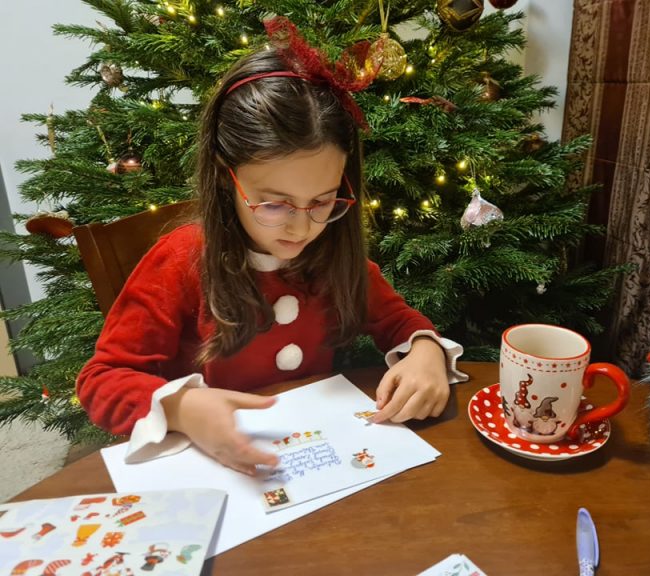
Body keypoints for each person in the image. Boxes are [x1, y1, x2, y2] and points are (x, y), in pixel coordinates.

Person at [76, 17, 467, 476]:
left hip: (319, 464)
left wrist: (426, 350)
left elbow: (398, 320)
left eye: (322, 201)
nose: (302, 228)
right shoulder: (181, 259)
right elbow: (101, 380)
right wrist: (180, 408)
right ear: (226, 176)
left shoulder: (333, 254)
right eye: (274, 203)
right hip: (216, 474)